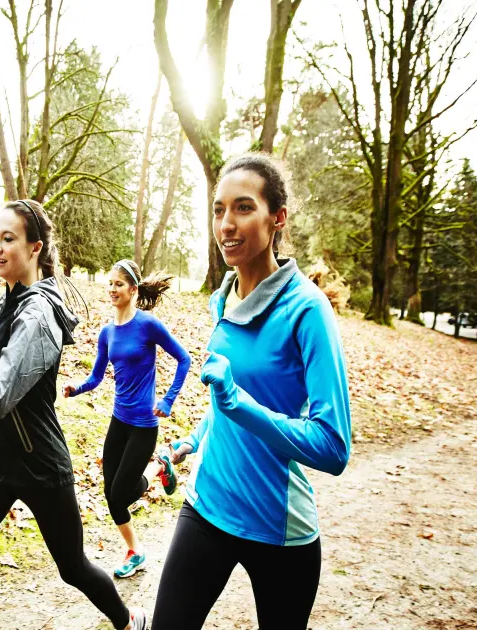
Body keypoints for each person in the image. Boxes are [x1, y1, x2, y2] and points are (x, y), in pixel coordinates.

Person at [0, 199, 149, 630]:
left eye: (9, 239)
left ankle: (129, 619)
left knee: (72, 567)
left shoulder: (38, 314)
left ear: (35, 247)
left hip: (41, 467)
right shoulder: (12, 300)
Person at [153, 155, 352, 629]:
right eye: (218, 210)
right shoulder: (223, 297)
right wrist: (194, 440)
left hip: (279, 530)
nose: (226, 224)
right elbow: (226, 403)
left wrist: (239, 407)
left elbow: (333, 445)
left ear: (277, 218)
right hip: (208, 506)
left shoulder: (307, 309)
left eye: (243, 208)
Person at [63, 259, 190, 579]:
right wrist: (76, 388)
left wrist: (169, 398)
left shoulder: (148, 325)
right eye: (110, 283)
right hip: (119, 421)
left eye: (119, 284)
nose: (112, 289)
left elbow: (183, 359)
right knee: (111, 494)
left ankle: (160, 464)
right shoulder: (107, 332)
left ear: (133, 290)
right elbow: (96, 377)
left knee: (120, 493)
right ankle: (135, 550)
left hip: (145, 424)